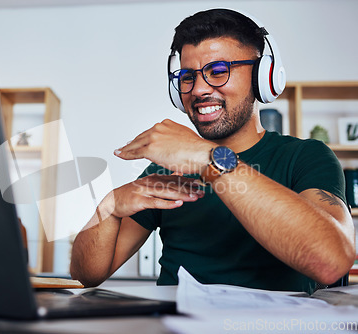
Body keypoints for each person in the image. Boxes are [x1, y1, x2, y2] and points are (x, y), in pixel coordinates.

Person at [70, 8, 355, 294]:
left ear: (262, 76)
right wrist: (109, 206)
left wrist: (209, 158)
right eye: (186, 76)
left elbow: (331, 261)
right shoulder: (163, 171)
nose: (198, 90)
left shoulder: (304, 158)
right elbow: (87, 274)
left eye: (218, 71)